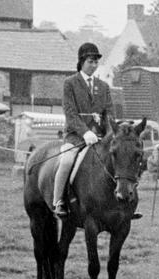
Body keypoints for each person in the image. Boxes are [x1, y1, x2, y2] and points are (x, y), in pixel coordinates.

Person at [53, 42, 112, 218]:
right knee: (66, 161)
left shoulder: (104, 87)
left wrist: (109, 135)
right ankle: (59, 201)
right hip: (76, 137)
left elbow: (109, 115)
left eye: (96, 62)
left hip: (100, 138)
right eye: (90, 62)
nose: (93, 66)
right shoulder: (70, 83)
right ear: (81, 62)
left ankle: (122, 203)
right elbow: (70, 113)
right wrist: (85, 132)